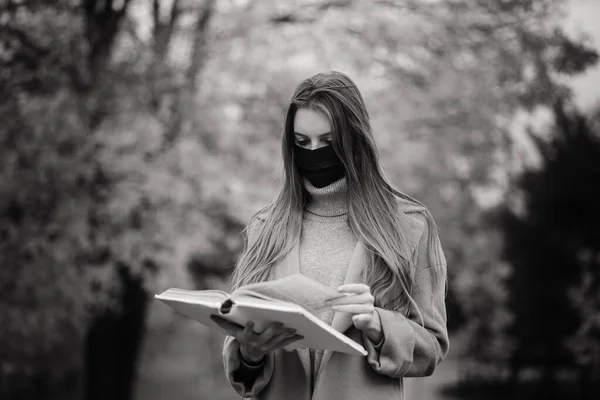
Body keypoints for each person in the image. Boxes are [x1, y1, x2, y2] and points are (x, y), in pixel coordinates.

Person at [211, 71, 449, 400]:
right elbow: (242, 360)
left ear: (355, 139)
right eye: (302, 142)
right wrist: (250, 355)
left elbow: (432, 348)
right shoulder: (264, 228)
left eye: (328, 141)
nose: (314, 153)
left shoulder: (409, 225)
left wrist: (379, 325)